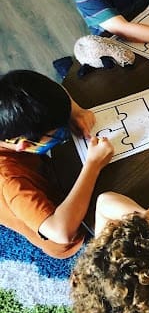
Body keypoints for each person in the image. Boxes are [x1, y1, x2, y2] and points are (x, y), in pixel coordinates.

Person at [0, 70, 114, 258]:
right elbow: (61, 232)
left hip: (47, 174)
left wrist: (76, 112)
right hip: (63, 230)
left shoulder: (11, 99)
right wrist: (93, 166)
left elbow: (53, 88)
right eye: (58, 133)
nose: (64, 132)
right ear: (25, 145)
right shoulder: (11, 182)